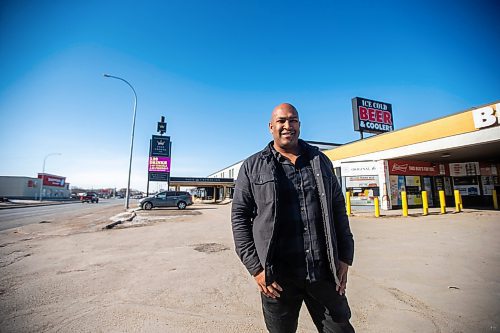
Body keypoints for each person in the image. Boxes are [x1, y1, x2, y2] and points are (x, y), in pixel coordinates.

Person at [231, 103, 355, 332]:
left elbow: (338, 207)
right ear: (271, 127)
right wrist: (256, 269)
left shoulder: (320, 161)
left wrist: (345, 256)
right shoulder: (252, 167)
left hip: (323, 272)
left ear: (299, 124)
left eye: (293, 120)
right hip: (277, 279)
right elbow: (239, 218)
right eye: (281, 121)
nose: (288, 126)